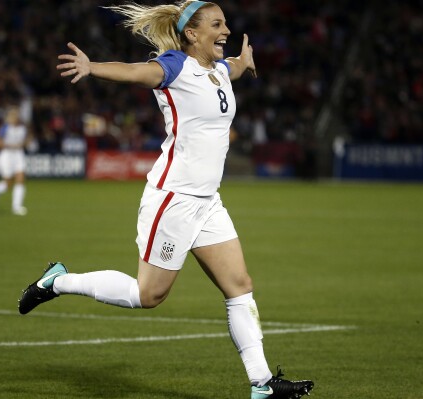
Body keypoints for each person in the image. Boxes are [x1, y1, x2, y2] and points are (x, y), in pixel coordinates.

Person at [18, 2, 314, 398]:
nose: (225, 29)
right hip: (173, 199)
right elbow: (138, 72)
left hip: (208, 201)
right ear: (192, 34)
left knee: (239, 286)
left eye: (225, 22)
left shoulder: (220, 70)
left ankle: (262, 385)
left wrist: (245, 62)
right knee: (149, 295)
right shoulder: (176, 67)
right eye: (217, 24)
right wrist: (93, 68)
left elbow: (235, 70)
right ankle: (58, 281)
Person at [0, 105, 30, 216]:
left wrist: (24, 144)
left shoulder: (23, 128)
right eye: (14, 115)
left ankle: (16, 207)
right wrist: (11, 145)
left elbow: (27, 140)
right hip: (7, 155)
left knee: (20, 179)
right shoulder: (5, 128)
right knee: (8, 184)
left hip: (18, 155)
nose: (16, 117)